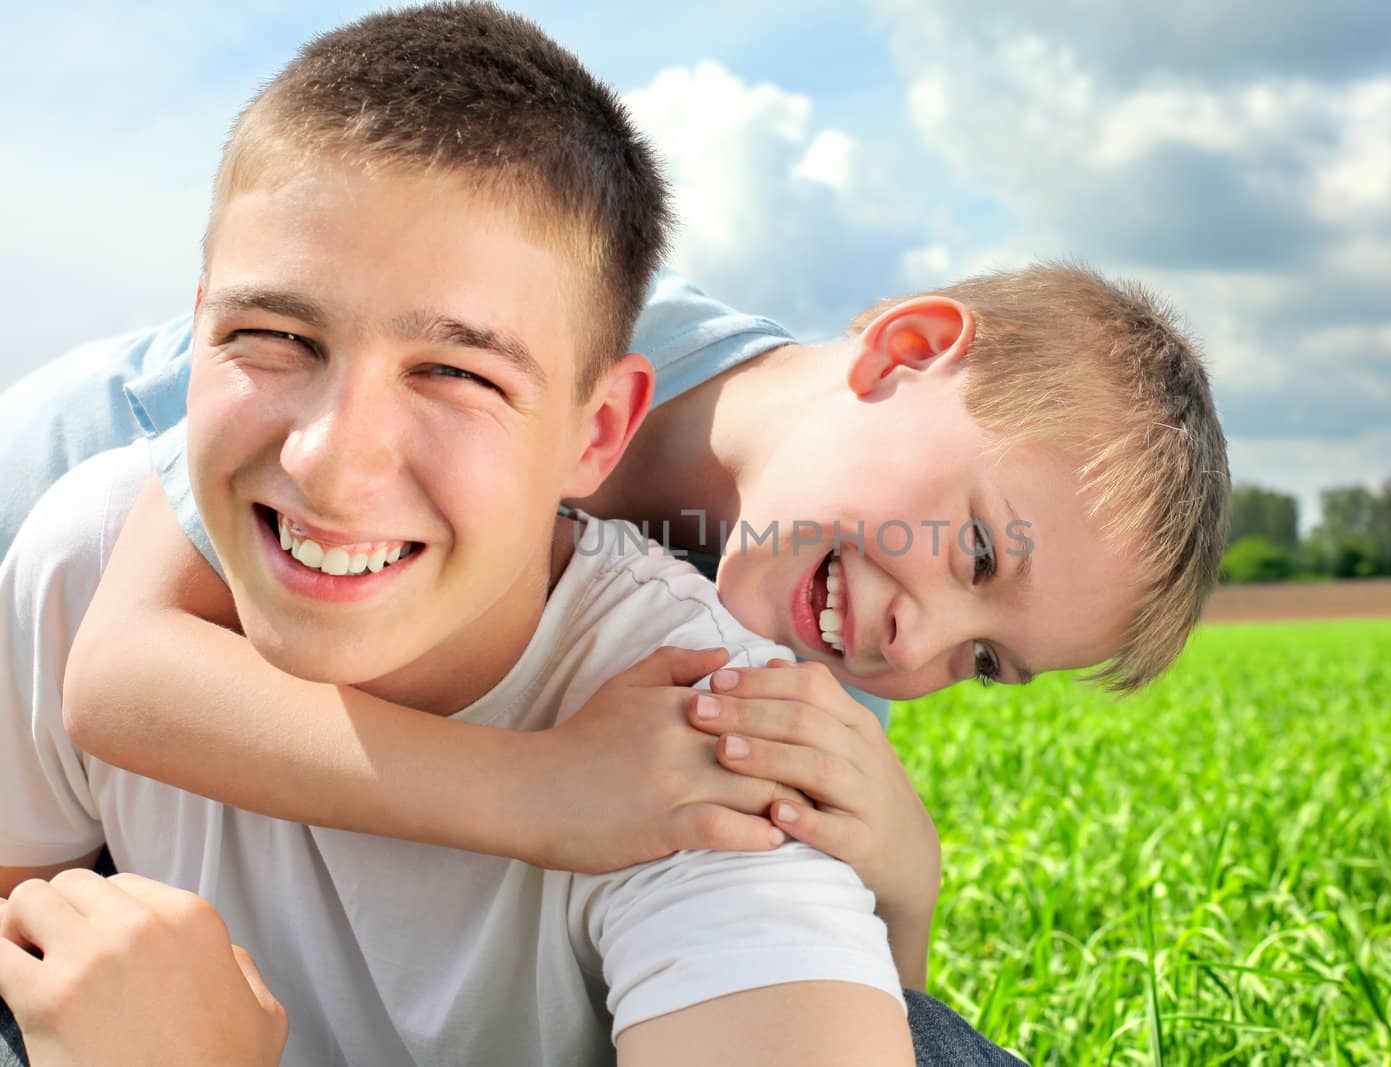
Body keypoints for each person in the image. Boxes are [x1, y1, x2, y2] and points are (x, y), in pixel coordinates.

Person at [0, 4, 918, 1063]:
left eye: (455, 374)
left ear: (600, 430)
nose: (328, 464)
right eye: (273, 336)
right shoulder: (93, 552)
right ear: (198, 329)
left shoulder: (698, 752)